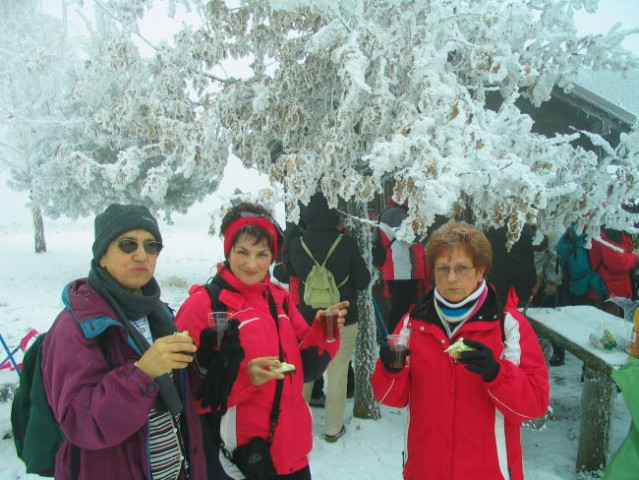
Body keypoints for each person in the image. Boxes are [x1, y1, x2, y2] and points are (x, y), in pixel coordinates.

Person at [175, 201, 347, 480]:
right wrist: (245, 379)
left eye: (262, 254)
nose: (252, 264)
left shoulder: (279, 299)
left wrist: (323, 332)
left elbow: (305, 369)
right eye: (242, 252)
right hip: (238, 460)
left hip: (291, 455)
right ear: (228, 250)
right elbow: (186, 391)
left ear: (272, 256)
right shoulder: (204, 306)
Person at [371, 221, 549, 480]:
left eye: (462, 268)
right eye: (443, 269)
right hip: (426, 470)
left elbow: (534, 406)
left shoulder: (507, 326)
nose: (451, 278)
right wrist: (390, 371)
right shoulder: (412, 324)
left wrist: (498, 375)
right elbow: (390, 398)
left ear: (481, 271)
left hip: (488, 471)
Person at [41, 204, 207, 480]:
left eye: (151, 246)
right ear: (102, 256)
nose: (141, 255)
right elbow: (79, 422)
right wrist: (142, 373)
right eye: (127, 245)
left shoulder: (159, 314)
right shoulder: (75, 327)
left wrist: (211, 360)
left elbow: (180, 398)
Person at [287, 192, 371, 443]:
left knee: (305, 371)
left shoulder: (297, 244)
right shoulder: (345, 243)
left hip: (308, 320)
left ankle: (296, 428)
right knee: (338, 371)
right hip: (342, 316)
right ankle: (333, 429)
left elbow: (289, 271)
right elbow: (363, 281)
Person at [374, 197, 428, 332]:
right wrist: (420, 222)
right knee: (402, 311)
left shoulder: (390, 212)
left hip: (399, 270)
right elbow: (413, 236)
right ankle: (398, 343)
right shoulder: (396, 214)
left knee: (399, 309)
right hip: (402, 270)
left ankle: (399, 340)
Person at [589, 227, 639, 317]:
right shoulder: (607, 233)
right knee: (611, 322)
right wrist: (635, 258)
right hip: (609, 289)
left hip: (613, 287)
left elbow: (624, 251)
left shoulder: (613, 230)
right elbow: (618, 262)